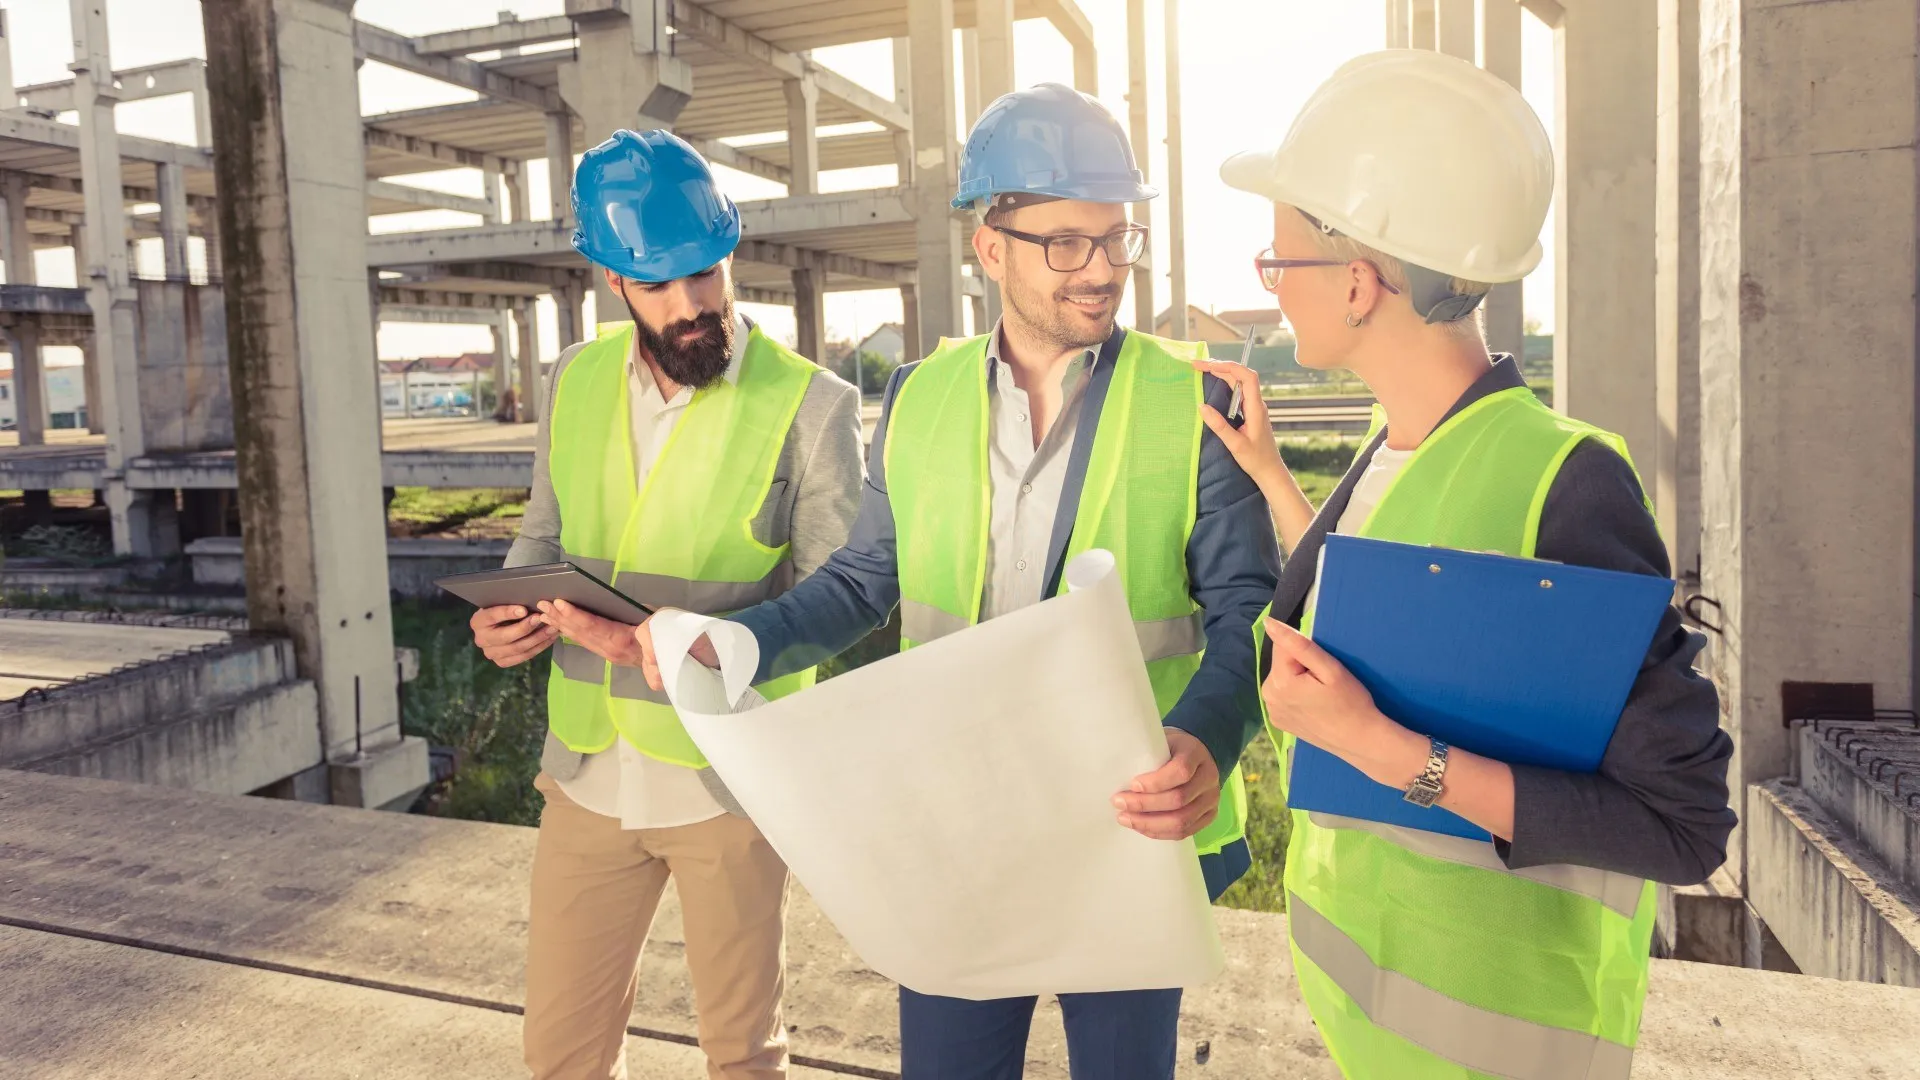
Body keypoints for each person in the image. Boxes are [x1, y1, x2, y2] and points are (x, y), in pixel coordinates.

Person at [632, 83, 1281, 1080]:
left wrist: (1210, 735)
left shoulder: (1191, 402)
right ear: (990, 246)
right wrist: (745, 640)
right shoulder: (920, 397)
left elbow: (1247, 612)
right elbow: (863, 581)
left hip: (1125, 829)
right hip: (960, 826)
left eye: (1116, 238)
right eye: (1065, 242)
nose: (1101, 269)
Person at [1201, 50, 1736, 1079]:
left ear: (1359, 283)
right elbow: (1410, 596)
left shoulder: (1567, 487)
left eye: (1279, 265)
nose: (1268, 288)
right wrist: (1275, 479)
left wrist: (1381, 748)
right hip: (1380, 1036)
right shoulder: (1402, 442)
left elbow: (1685, 825)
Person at [468, 128, 864, 1080]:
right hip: (586, 772)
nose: (692, 306)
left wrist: (694, 646)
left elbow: (847, 603)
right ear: (612, 282)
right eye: (659, 286)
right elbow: (544, 539)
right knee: (560, 1052)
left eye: (706, 273)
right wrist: (503, 618)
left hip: (728, 782)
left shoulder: (813, 406)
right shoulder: (574, 380)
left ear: (728, 253)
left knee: (741, 1054)